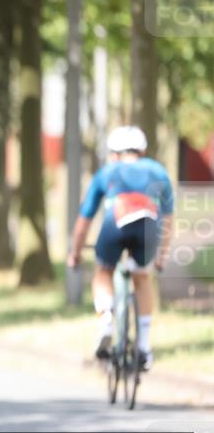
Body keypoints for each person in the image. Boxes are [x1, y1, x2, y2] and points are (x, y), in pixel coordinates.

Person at [68, 125, 175, 371]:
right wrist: (161, 257)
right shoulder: (158, 171)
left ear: (114, 154)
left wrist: (75, 252)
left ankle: (106, 318)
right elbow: (168, 219)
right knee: (142, 277)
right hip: (148, 223)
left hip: (116, 219)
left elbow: (84, 221)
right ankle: (145, 348)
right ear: (143, 151)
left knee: (103, 271)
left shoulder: (108, 172)